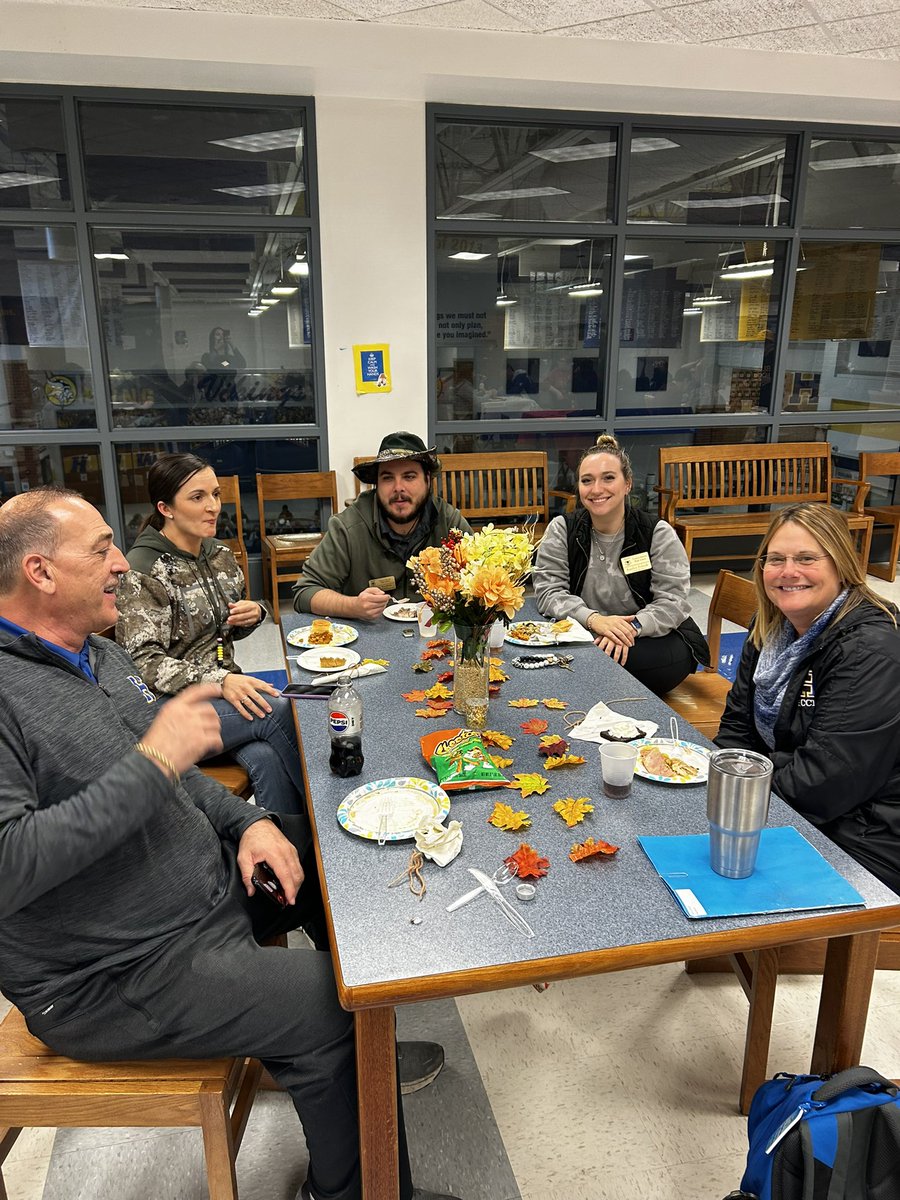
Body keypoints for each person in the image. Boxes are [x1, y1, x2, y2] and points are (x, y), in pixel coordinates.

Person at [0, 487, 458, 1200]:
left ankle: (347, 1071)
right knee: (332, 1009)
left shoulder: (97, 653)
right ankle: (354, 1175)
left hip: (200, 891)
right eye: (101, 550)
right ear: (40, 571)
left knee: (340, 856)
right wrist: (155, 763)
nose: (121, 563)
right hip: (113, 972)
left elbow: (178, 770)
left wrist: (250, 824)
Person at [716, 503, 900, 894]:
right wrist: (723, 782)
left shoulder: (869, 651)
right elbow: (736, 726)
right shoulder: (770, 627)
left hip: (868, 835)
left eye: (806, 559)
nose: (788, 571)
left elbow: (826, 781)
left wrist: (738, 789)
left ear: (841, 566)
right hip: (793, 801)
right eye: (776, 559)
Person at [115, 453, 305, 816]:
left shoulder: (218, 554)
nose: (213, 506)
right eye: (198, 497)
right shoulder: (143, 570)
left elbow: (222, 630)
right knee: (277, 709)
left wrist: (254, 613)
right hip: (169, 711)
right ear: (165, 508)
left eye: (216, 494)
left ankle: (291, 843)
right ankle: (323, 815)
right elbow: (142, 664)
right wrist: (220, 681)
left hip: (220, 695)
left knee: (265, 757)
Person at [533, 434, 709, 694]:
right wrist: (595, 620)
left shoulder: (657, 533)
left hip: (644, 638)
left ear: (627, 484)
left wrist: (629, 629)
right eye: (587, 480)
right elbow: (549, 592)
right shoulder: (562, 529)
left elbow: (673, 602)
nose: (596, 489)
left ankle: (581, 684)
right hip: (584, 631)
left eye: (608, 478)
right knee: (573, 651)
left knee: (600, 660)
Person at [293, 432, 472, 620]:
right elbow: (305, 592)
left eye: (409, 476)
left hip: (435, 633)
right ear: (376, 484)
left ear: (428, 480)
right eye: (387, 478)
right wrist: (352, 606)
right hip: (368, 635)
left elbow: (482, 578)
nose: (398, 487)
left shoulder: (450, 523)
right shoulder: (348, 527)